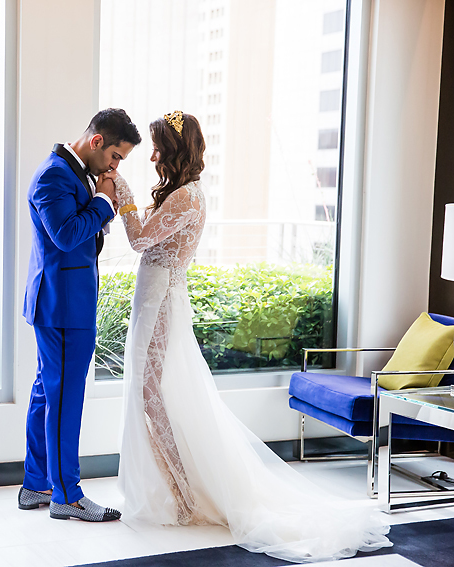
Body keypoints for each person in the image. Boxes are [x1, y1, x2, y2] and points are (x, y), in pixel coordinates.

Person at [105, 111, 392, 561]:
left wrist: (121, 194)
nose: (153, 154)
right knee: (156, 395)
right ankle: (177, 490)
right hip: (155, 299)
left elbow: (140, 240)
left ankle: (183, 495)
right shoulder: (181, 193)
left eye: (159, 146)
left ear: (176, 151)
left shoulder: (185, 197)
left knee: (151, 395)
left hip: (160, 302)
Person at [20, 108, 141, 522]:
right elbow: (68, 235)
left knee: (47, 394)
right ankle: (67, 496)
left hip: (60, 303)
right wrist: (105, 201)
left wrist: (98, 198)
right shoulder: (54, 175)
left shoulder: (69, 173)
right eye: (116, 157)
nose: (115, 166)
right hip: (63, 308)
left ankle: (36, 484)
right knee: (64, 401)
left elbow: (81, 235)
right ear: (96, 142)